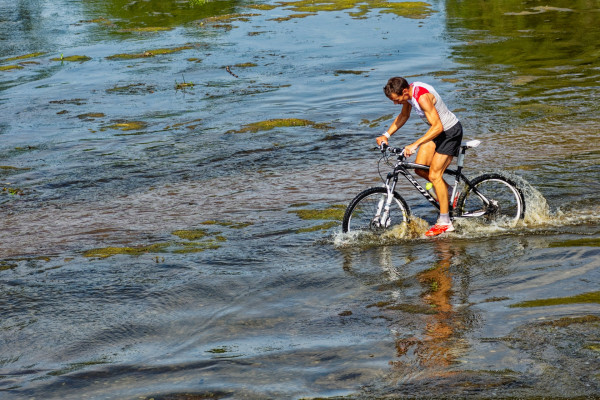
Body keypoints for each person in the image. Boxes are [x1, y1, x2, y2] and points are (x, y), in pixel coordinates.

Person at [376, 77, 463, 237]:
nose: (396, 103)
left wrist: (414, 145)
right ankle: (449, 192)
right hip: (437, 133)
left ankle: (445, 222)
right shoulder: (408, 95)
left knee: (435, 175)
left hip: (449, 133)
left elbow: (438, 126)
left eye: (396, 100)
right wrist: (386, 135)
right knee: (419, 168)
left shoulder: (421, 97)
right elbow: (403, 116)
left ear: (404, 91)